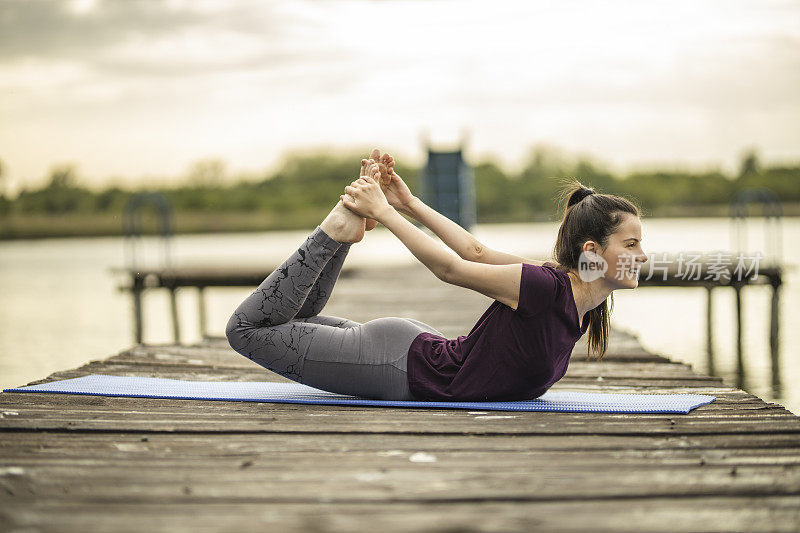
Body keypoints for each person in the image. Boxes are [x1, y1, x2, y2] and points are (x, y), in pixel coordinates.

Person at [226, 149, 647, 401]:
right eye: (631, 245)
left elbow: (474, 250)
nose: (642, 257)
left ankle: (342, 231)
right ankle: (335, 231)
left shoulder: (579, 305)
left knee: (287, 322)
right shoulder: (547, 288)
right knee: (245, 329)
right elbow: (452, 266)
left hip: (410, 353)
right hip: (395, 366)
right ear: (592, 252)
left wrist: (409, 203)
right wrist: (387, 212)